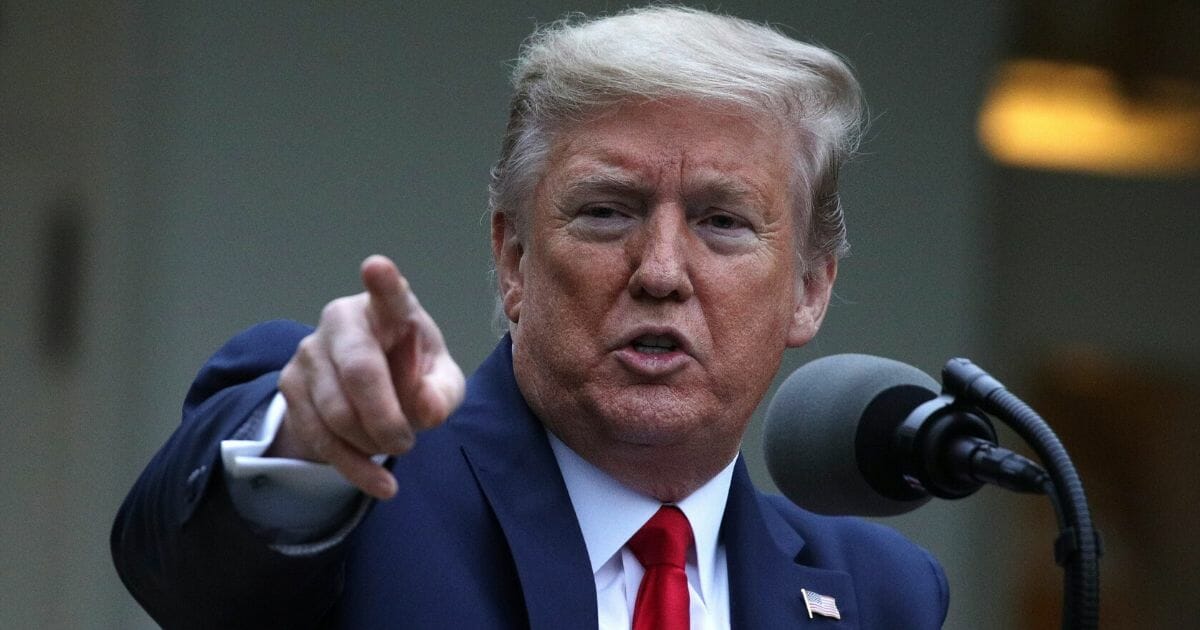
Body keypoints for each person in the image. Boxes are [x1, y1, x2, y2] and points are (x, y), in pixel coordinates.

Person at [112, 6, 949, 629]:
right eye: (607, 212)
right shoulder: (367, 496)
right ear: (513, 260)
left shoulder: (884, 596)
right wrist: (309, 444)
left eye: (721, 221)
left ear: (810, 288)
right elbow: (191, 573)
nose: (661, 271)